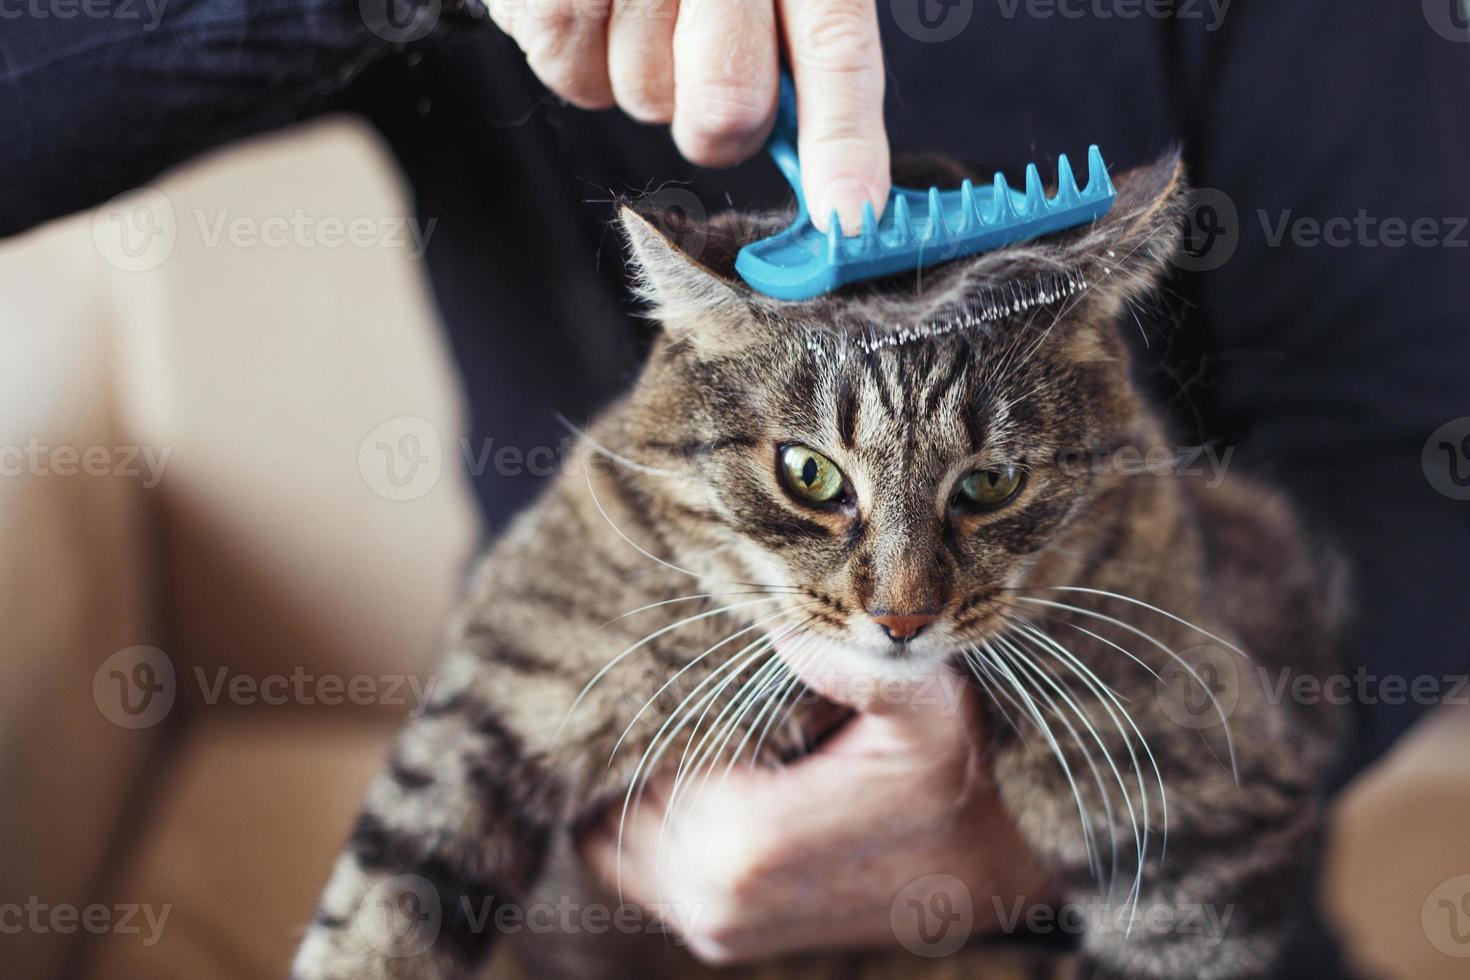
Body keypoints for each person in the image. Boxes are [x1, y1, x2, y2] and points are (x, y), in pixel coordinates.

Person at [5, 2, 1469, 975]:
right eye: (819, 486)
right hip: (587, 888)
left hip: (1146, 862)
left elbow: (1424, 458)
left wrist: (1017, 839)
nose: (896, 601)